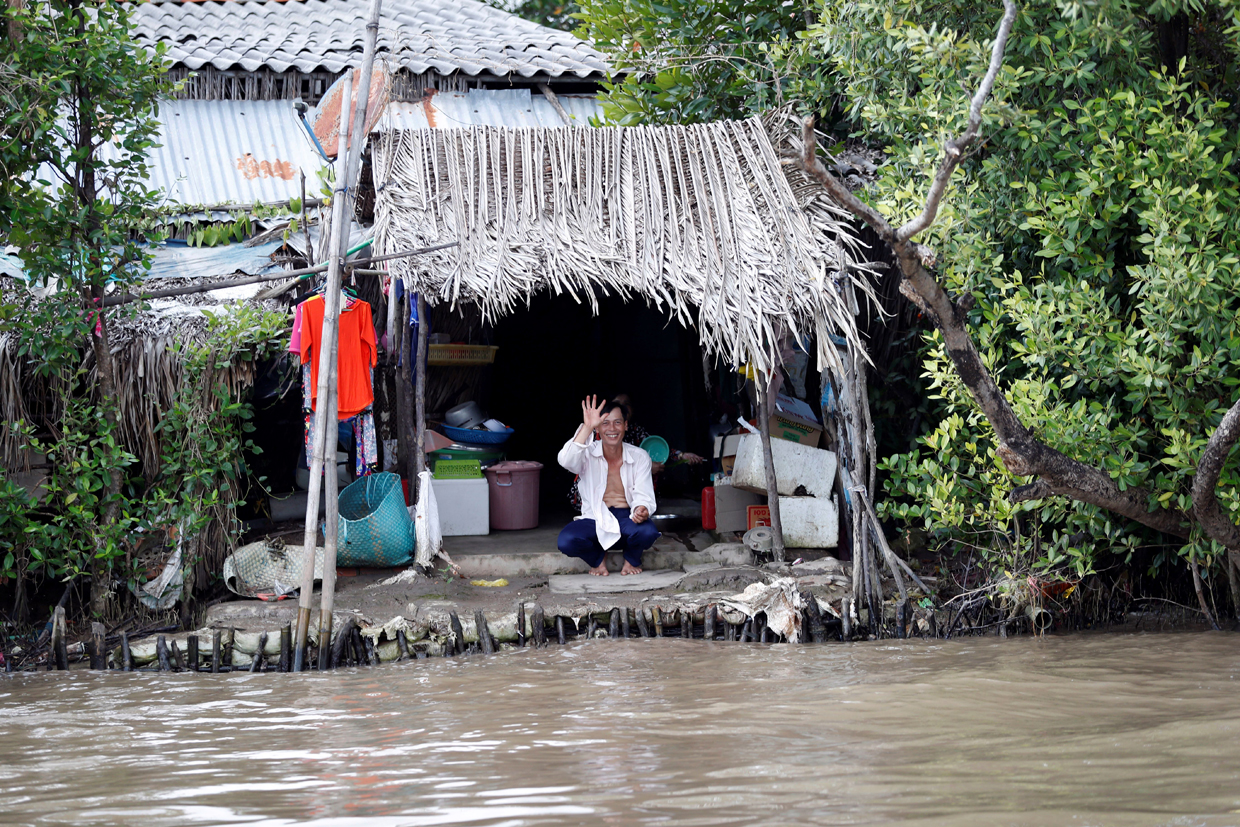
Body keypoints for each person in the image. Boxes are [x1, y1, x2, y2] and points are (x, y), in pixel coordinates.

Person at [557, 396, 659, 576]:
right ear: (597, 428)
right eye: (605, 423)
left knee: (648, 532)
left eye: (617, 422)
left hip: (627, 518)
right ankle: (597, 559)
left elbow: (644, 494)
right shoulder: (586, 453)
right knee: (567, 541)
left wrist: (641, 509)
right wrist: (587, 427)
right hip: (595, 518)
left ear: (626, 425)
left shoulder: (640, 456)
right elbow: (566, 460)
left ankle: (631, 559)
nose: (612, 429)